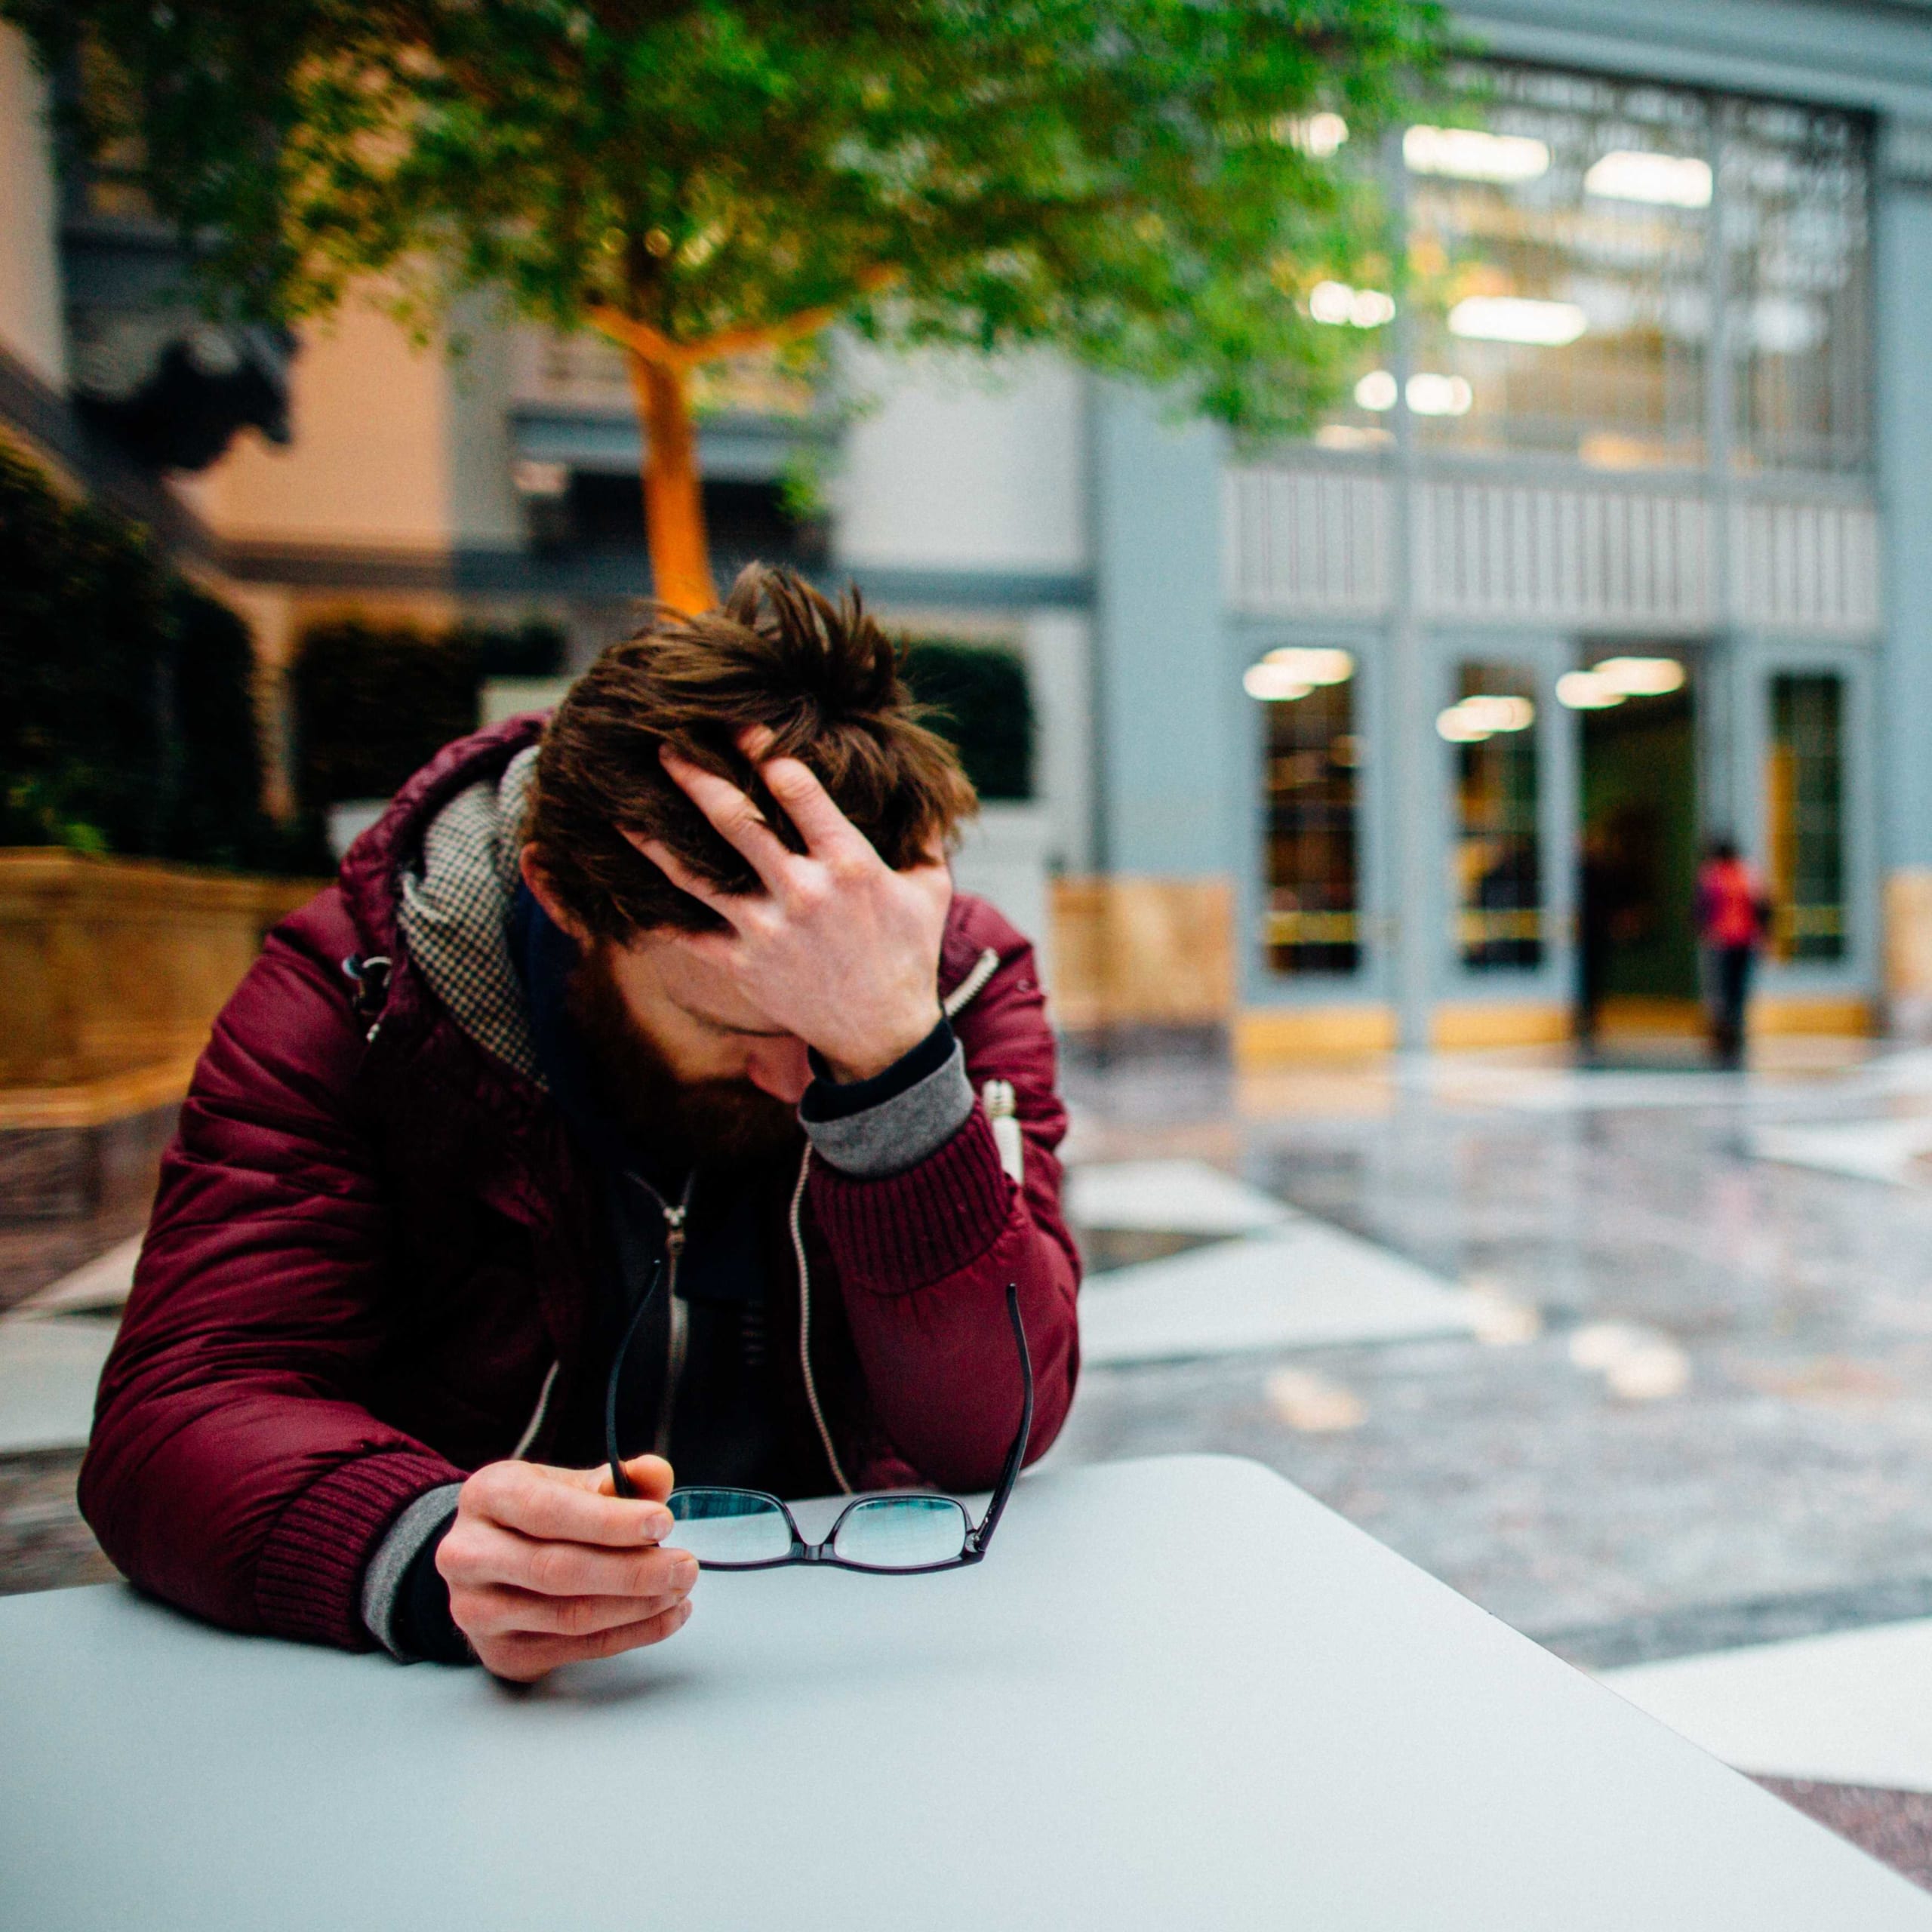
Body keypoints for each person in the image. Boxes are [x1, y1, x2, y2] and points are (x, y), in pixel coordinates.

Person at [80, 566, 1081, 1682]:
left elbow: (992, 1429)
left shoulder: (953, 980)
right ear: (560, 895)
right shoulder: (360, 992)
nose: (801, 1079)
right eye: (734, 1018)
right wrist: (420, 1547)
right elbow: (179, 1414)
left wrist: (897, 1066)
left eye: (836, 1020)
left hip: (857, 1653)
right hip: (488, 1709)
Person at [1696, 836, 1771, 1069]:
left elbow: (1702, 907)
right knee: (1737, 987)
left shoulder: (1712, 875)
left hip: (1721, 939)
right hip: (1745, 939)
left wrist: (1701, 929)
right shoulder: (1748, 874)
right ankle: (1735, 1028)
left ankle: (1724, 1030)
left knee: (1721, 987)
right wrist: (1766, 934)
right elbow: (1763, 907)